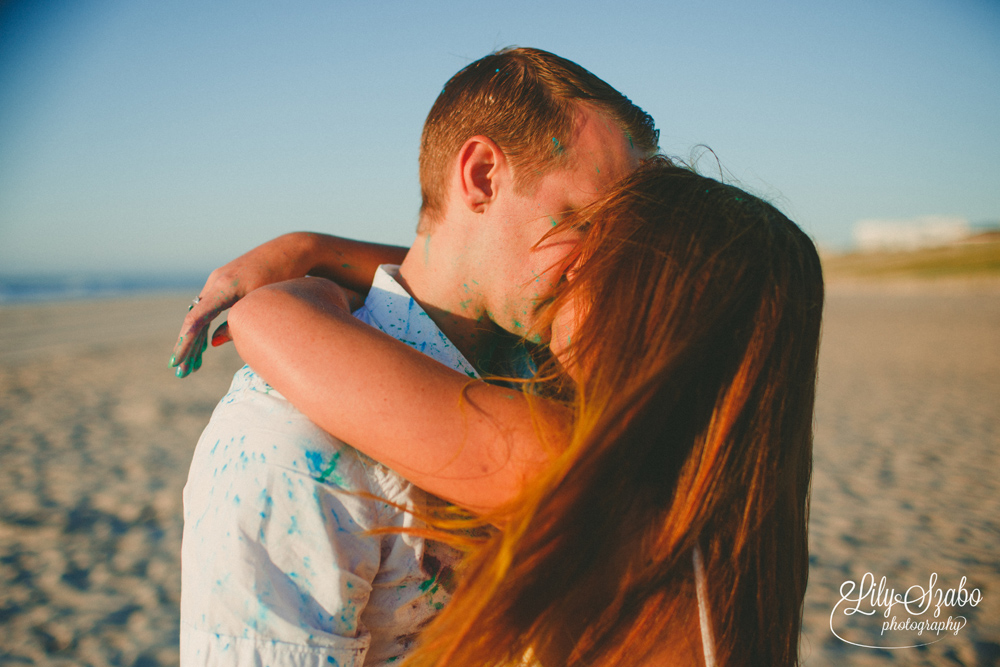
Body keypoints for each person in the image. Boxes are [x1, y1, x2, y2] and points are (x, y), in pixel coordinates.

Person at [217, 158, 824, 666]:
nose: (565, 268)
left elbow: (269, 320)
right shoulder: (728, 493)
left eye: (600, 253)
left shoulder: (591, 471)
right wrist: (319, 250)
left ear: (658, 307)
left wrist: (308, 262)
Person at [172, 47, 658, 666]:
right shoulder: (290, 443)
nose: (609, 267)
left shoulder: (573, 369)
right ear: (481, 175)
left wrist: (311, 249)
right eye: (583, 223)